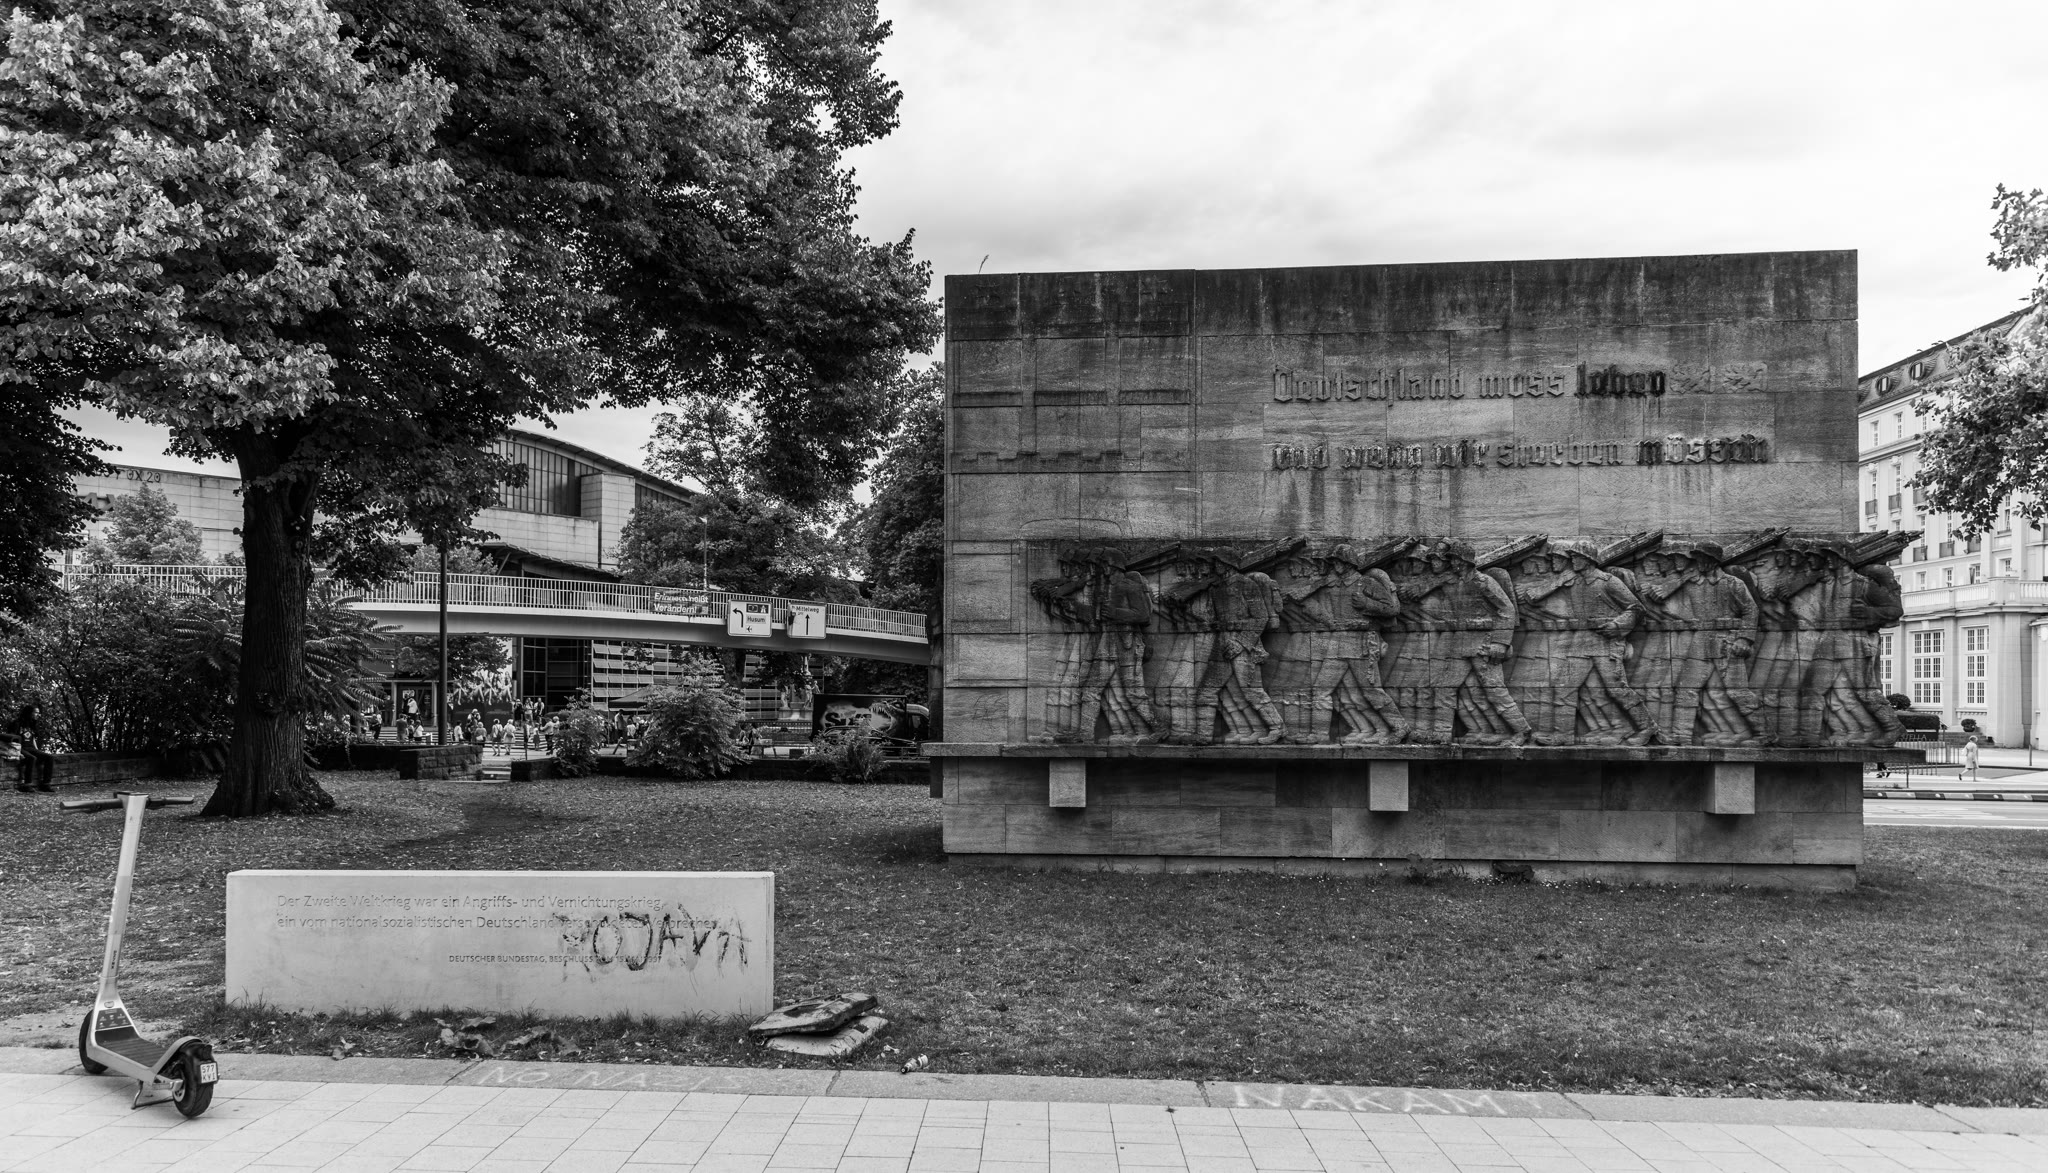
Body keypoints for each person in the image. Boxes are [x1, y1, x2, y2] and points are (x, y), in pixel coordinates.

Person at [7, 701, 55, 793]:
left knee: (49, 757)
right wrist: (18, 753)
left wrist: (38, 751)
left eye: (38, 713)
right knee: (32, 758)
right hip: (20, 748)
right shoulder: (17, 723)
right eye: (36, 712)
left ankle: (46, 784)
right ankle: (27, 785)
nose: (38, 715)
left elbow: (32, 739)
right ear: (29, 713)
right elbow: (11, 739)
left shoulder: (32, 724)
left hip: (30, 748)